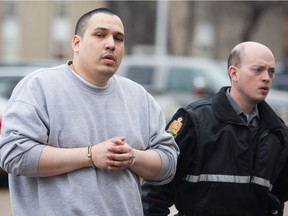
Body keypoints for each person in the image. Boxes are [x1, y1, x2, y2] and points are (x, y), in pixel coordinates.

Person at [0, 8, 179, 216]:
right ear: (76, 43)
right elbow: (13, 154)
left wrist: (133, 157)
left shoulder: (139, 97)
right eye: (100, 35)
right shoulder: (40, 86)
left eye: (118, 39)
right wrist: (90, 155)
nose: (111, 44)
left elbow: (168, 164)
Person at [142, 41, 288, 216]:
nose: (266, 77)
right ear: (234, 73)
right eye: (258, 70)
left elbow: (278, 197)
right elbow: (156, 189)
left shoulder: (277, 132)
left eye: (271, 71)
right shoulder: (194, 120)